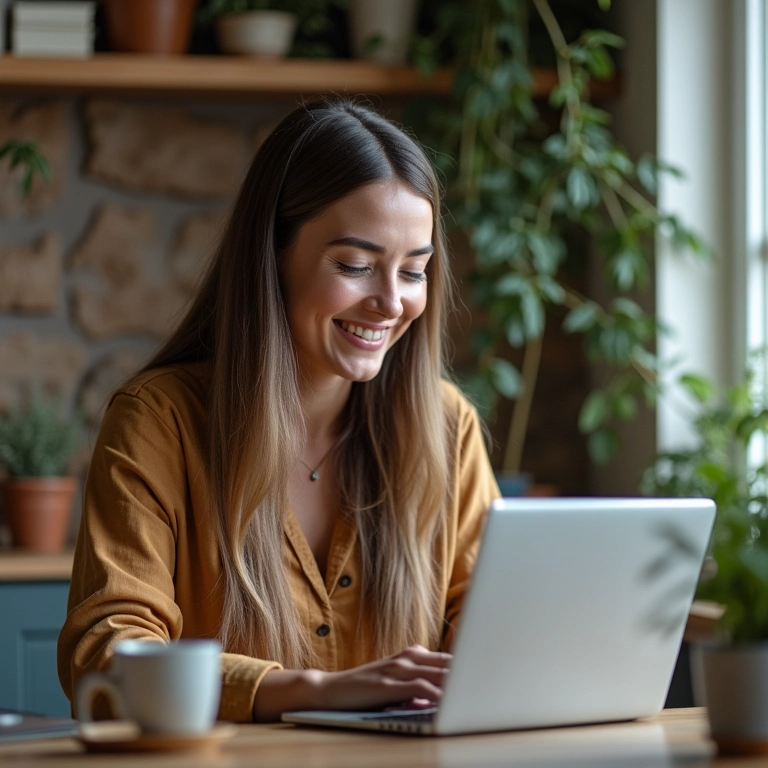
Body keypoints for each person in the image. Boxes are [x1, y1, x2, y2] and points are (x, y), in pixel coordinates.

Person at [57, 98, 499, 723]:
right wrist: (312, 691)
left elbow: (492, 629)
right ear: (272, 257)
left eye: (414, 271)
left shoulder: (447, 427)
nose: (390, 302)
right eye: (355, 266)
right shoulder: (158, 422)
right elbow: (107, 654)